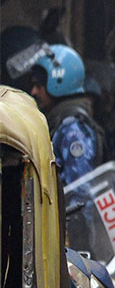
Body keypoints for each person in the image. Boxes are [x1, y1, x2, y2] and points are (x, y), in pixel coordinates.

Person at [26, 43, 102, 216]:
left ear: (58, 82)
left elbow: (80, 194)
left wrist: (71, 229)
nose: (34, 91)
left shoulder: (72, 130)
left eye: (38, 85)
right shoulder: (60, 123)